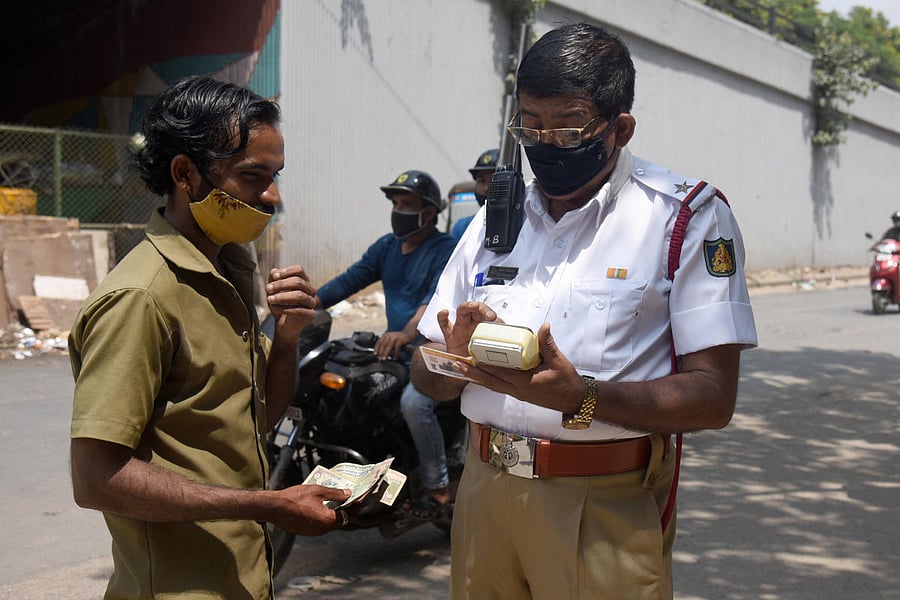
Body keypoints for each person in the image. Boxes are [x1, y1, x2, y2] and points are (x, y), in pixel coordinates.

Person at [410, 23, 758, 599]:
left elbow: (713, 398)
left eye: (569, 126)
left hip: (599, 506)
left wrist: (582, 398)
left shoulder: (683, 219)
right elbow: (428, 378)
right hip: (484, 494)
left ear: (619, 129)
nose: (545, 143)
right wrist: (449, 358)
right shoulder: (494, 223)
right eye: (531, 125)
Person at [68, 76, 352, 599]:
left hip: (240, 578)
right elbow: (94, 479)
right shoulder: (142, 297)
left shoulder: (230, 271)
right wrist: (267, 505)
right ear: (185, 174)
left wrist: (286, 341)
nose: (273, 196)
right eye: (253, 176)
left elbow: (254, 421)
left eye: (275, 176)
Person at [315, 169, 458, 520]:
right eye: (395, 203)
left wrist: (408, 332)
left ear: (428, 211)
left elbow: (433, 299)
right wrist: (307, 303)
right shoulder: (386, 247)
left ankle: (437, 488)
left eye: (406, 203)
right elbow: (349, 280)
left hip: (435, 354)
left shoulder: (446, 250)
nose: (398, 210)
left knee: (413, 404)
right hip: (397, 352)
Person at [450, 148, 498, 241]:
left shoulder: (524, 223)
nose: (486, 188)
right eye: (481, 181)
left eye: (494, 180)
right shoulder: (463, 227)